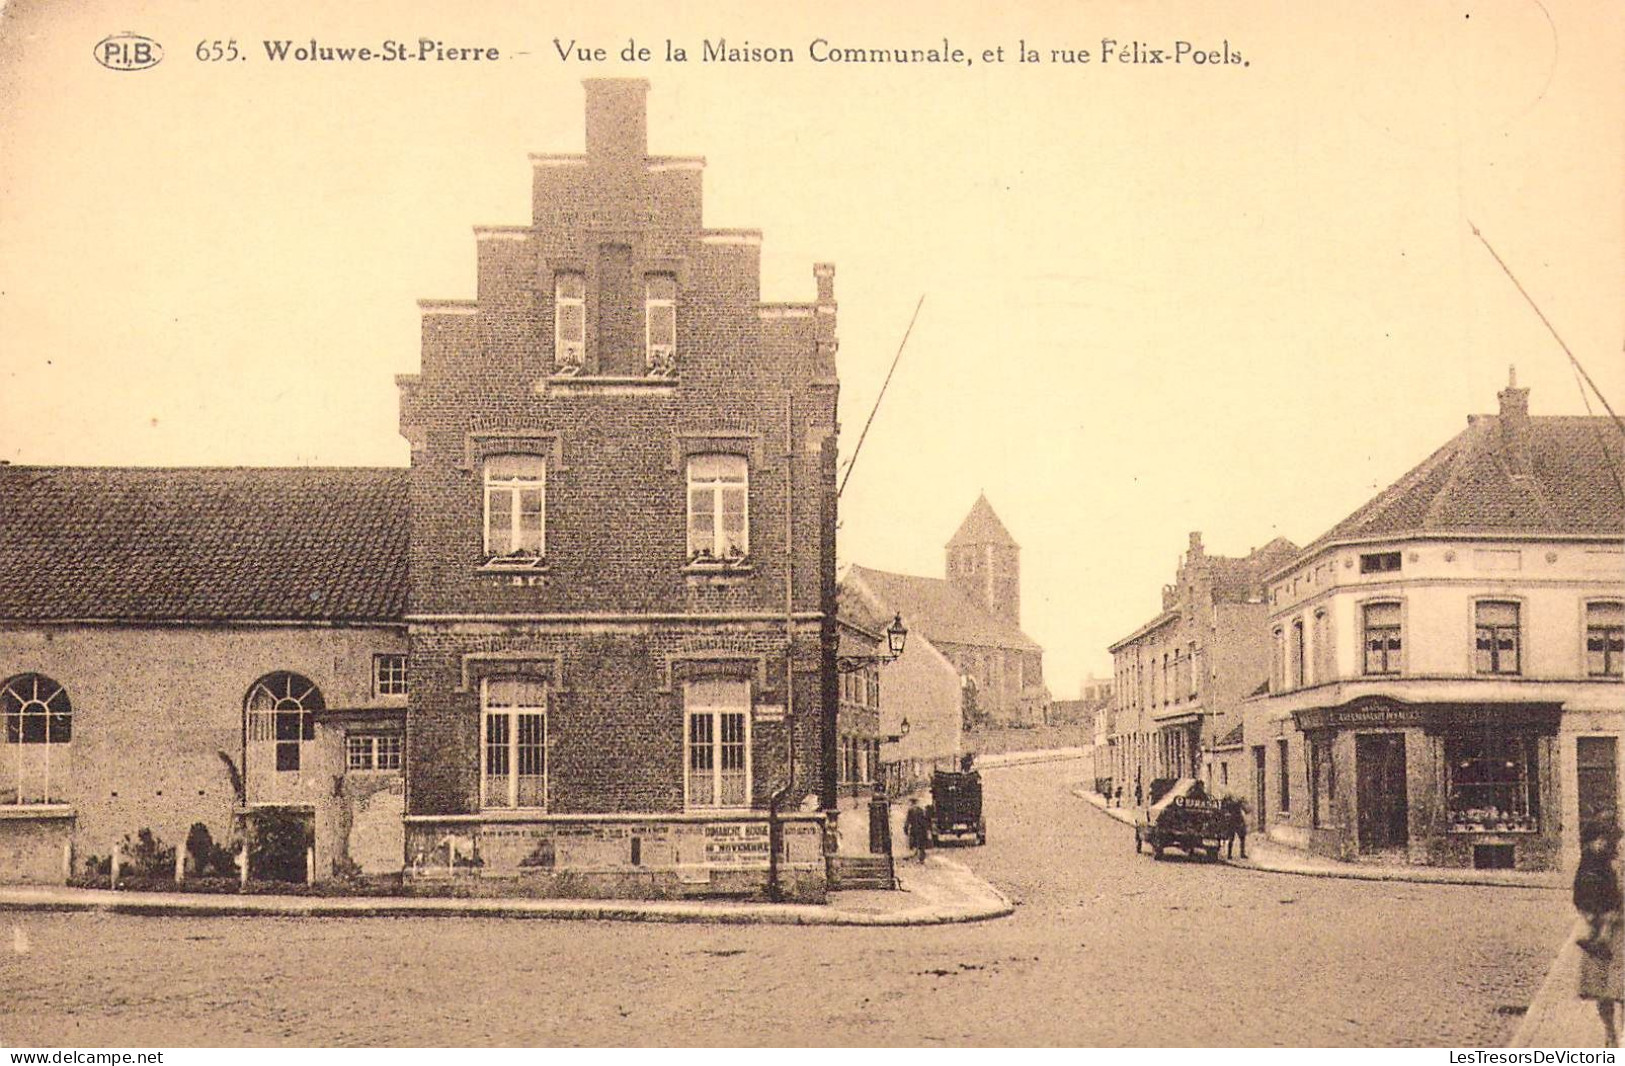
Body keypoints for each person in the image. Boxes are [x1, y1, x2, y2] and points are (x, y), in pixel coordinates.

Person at [1574, 817, 1623, 1048]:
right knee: (1600, 987)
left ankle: (1620, 1037)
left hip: (1621, 932)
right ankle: (1610, 1032)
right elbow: (1580, 893)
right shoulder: (1592, 862)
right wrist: (1590, 914)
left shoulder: (1612, 862)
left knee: (1621, 989)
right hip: (1599, 932)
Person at [903, 797, 930, 864]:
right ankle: (921, 859)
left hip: (914, 829)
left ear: (912, 802)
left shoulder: (911, 810)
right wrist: (926, 829)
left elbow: (908, 821)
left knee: (916, 843)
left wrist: (905, 829)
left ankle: (918, 858)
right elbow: (925, 820)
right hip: (922, 829)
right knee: (921, 844)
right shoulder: (921, 810)